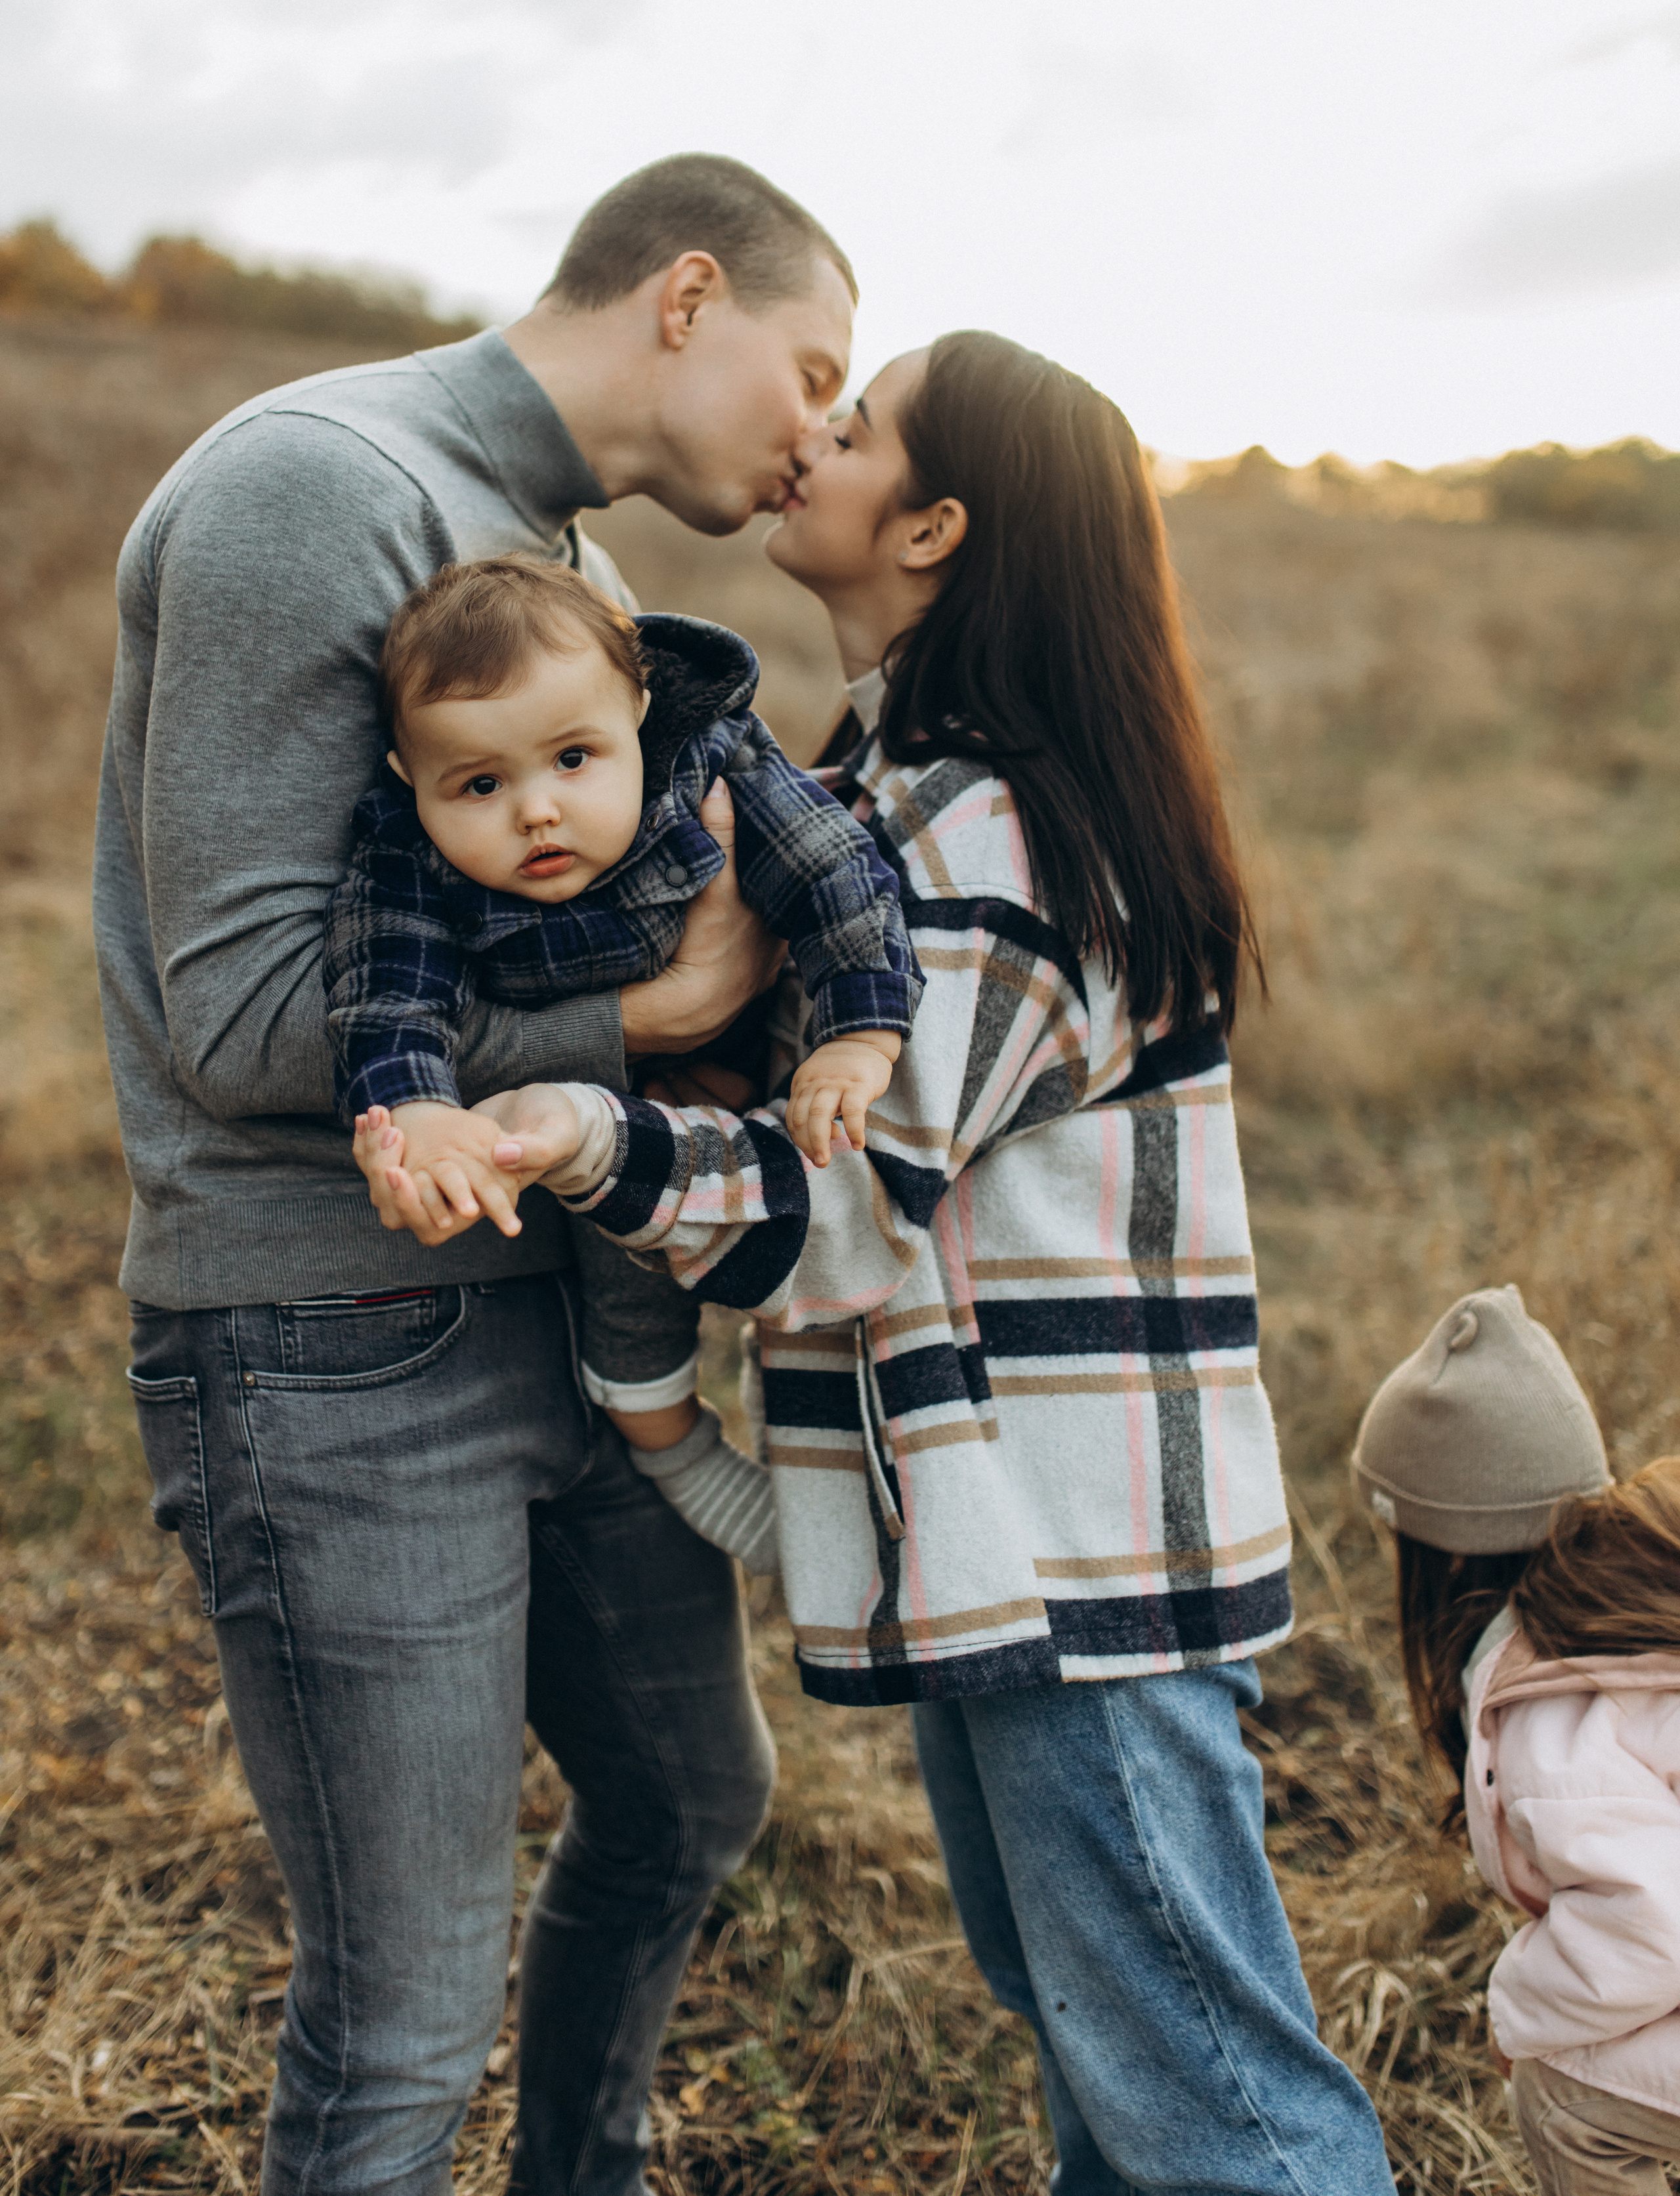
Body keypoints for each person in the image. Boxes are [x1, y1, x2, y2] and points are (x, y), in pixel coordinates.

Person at [358, 331, 1399, 2193]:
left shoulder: (991, 821)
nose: (799, 444)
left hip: (1082, 1558)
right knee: (1109, 2054)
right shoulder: (894, 788)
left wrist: (588, 1138)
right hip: (1008, 1553)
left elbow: (845, 1207)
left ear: (931, 526)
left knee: (1212, 2100)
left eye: (849, 429)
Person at [94, 154, 856, 2195]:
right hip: (341, 1335)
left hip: (566, 1305)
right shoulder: (315, 486)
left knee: (691, 1796)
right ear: (686, 295)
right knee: (408, 2017)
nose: (819, 436)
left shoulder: (541, 547)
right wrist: (667, 1007)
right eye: (814, 367)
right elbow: (245, 1014)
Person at [326, 552, 920, 1571]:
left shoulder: (711, 766)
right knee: (628, 1284)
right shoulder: (404, 854)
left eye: (573, 759)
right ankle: (681, 1451)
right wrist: (417, 1113)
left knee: (809, 1261)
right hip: (599, 1120)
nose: (536, 811)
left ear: (639, 713)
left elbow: (839, 877)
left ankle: (870, 1491)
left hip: (752, 1096)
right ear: (406, 779)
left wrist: (860, 1032)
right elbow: (386, 993)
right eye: (478, 782)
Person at [1354, 1284, 1680, 2196]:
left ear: (1443, 1552)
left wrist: (1522, 2011)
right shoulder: (1641, 1607)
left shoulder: (1552, 1708)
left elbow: (1652, 1923)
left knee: (1565, 2093)